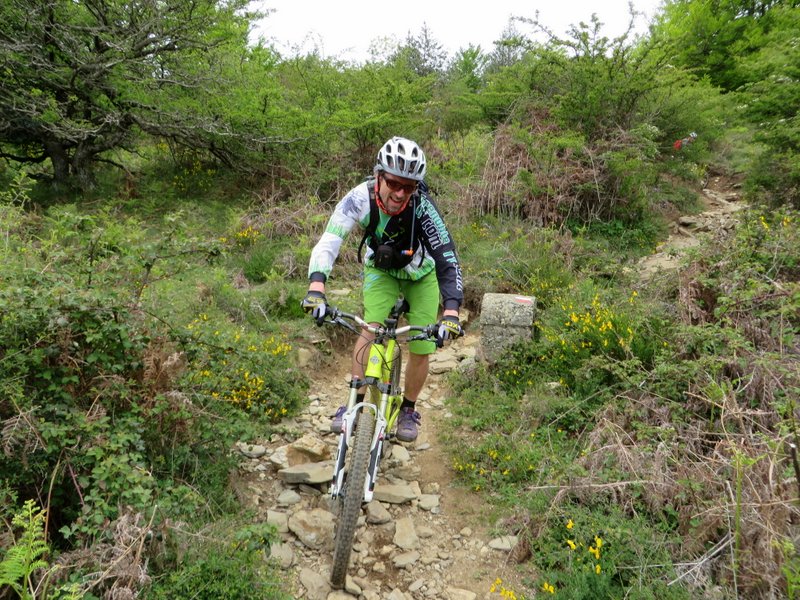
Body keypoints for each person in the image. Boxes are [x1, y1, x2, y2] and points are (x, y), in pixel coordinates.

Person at [301, 136, 464, 442]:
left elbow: (447, 257)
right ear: (378, 176)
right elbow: (330, 240)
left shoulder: (423, 207)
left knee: (421, 343)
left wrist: (452, 309)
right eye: (394, 183)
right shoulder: (358, 198)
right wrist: (316, 285)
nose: (400, 193)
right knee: (370, 327)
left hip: (422, 276)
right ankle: (356, 402)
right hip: (381, 270)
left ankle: (408, 409)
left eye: (409, 186)